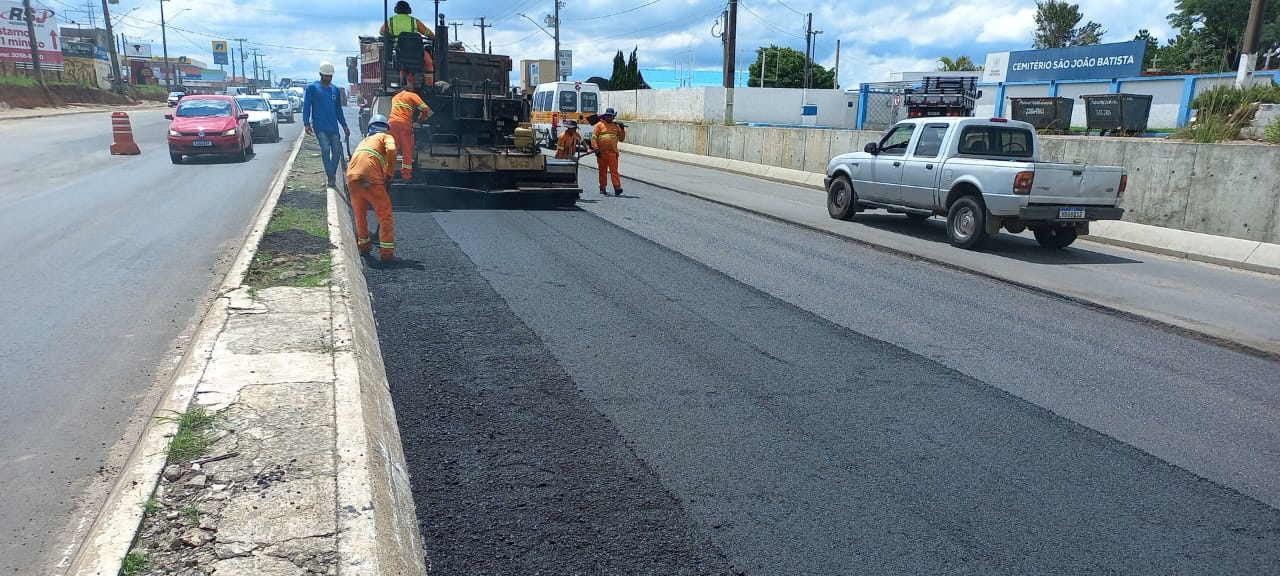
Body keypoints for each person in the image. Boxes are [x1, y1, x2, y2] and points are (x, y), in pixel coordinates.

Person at [347, 115, 398, 261]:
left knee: (360, 215)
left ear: (370, 128)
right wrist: (389, 173)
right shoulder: (385, 136)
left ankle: (364, 245)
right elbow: (392, 150)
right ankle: (387, 254)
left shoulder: (364, 141)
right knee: (385, 216)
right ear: (385, 128)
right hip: (371, 179)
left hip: (352, 178)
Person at [302, 61, 350, 189]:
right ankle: (330, 177)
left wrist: (344, 126)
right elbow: (306, 106)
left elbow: (338, 110)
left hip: (333, 126)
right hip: (319, 126)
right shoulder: (312, 88)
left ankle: (331, 174)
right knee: (325, 149)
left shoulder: (334, 89)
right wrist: (306, 123)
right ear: (321, 74)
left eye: (330, 76)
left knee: (337, 151)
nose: (328, 78)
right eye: (326, 76)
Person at [380, 0, 436, 89]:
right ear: (409, 10)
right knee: (429, 62)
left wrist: (392, 36)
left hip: (401, 51)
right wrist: (435, 37)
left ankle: (402, 83)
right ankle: (429, 86)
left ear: (396, 10)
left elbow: (382, 32)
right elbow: (428, 33)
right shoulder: (414, 21)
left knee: (402, 65)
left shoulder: (390, 21)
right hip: (417, 51)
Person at [388, 85, 433, 180]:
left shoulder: (395, 97)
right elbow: (426, 109)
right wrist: (420, 120)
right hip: (405, 125)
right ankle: (406, 175)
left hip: (392, 124)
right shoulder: (412, 95)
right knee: (407, 150)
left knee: (392, 150)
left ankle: (387, 175)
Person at [590, 107, 626, 195]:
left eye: (610, 116)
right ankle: (602, 187)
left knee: (614, 171)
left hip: (612, 153)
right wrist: (596, 149)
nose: (609, 117)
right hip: (601, 153)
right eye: (607, 115)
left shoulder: (616, 126)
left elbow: (621, 139)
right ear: (605, 116)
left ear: (613, 117)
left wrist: (622, 129)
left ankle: (617, 187)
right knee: (602, 171)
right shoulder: (599, 125)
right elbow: (593, 138)